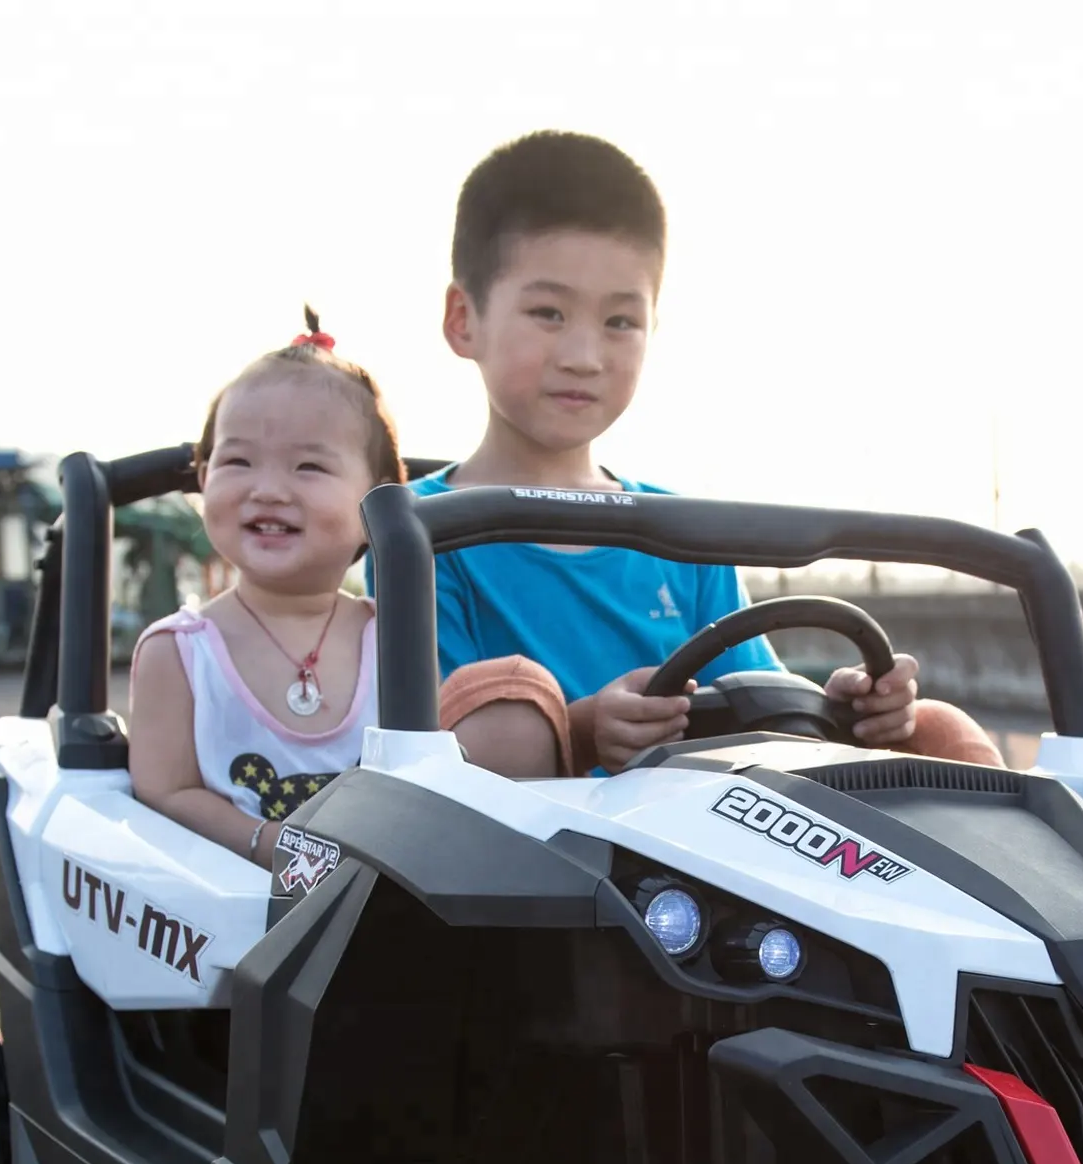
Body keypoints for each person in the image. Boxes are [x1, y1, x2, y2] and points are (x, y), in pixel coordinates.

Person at [419, 132, 1004, 775]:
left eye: (619, 322)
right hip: (533, 860)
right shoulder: (422, 532)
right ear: (462, 319)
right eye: (549, 313)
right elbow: (441, 757)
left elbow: (758, 707)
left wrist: (848, 710)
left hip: (699, 847)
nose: (583, 356)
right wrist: (581, 733)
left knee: (939, 729)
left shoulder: (685, 536)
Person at [129, 311, 568, 866]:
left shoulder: (394, 636)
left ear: (377, 503)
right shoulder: (178, 651)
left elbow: (428, 774)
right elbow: (165, 791)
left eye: (308, 466)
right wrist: (275, 846)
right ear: (202, 476)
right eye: (237, 460)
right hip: (235, 913)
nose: (268, 489)